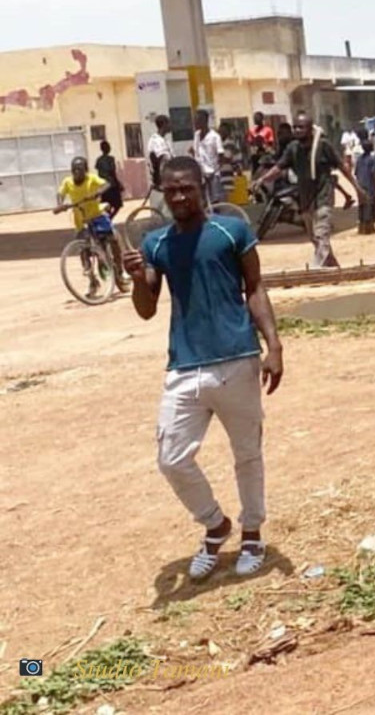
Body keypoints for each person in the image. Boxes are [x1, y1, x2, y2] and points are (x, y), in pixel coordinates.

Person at [123, 155, 283, 582]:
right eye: (171, 190)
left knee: (247, 454)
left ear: (202, 188)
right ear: (162, 193)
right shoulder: (156, 243)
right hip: (185, 365)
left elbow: (255, 287)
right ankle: (215, 524)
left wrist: (274, 345)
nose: (179, 196)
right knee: (171, 458)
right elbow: (146, 309)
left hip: (237, 358)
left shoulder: (232, 231)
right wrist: (137, 278)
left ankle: (253, 534)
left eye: (186, 188)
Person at [253, 113, 365, 268]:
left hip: (323, 197)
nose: (297, 130)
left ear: (310, 129)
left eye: (301, 127)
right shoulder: (293, 148)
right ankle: (332, 266)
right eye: (295, 127)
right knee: (315, 238)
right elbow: (279, 167)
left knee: (321, 234)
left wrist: (357, 188)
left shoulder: (323, 146)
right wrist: (262, 179)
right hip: (305, 199)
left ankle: (316, 269)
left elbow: (341, 167)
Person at [55, 156, 128, 292]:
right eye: (74, 169)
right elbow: (60, 193)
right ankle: (92, 280)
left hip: (96, 215)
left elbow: (106, 184)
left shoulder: (92, 178)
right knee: (83, 248)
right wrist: (60, 205)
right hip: (81, 220)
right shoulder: (67, 182)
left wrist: (97, 192)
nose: (77, 172)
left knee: (113, 239)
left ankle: (120, 269)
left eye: (80, 169)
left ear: (86, 170)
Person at [191, 109, 223, 204]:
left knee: (215, 200)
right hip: (200, 173)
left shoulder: (215, 136)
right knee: (202, 200)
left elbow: (221, 155)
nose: (195, 123)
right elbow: (196, 152)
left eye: (197, 121)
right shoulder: (196, 135)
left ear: (204, 121)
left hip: (213, 174)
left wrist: (215, 170)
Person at [354, 138, 375, 234]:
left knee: (362, 204)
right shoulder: (373, 159)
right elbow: (373, 174)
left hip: (360, 184)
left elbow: (356, 173)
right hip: (370, 184)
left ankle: (361, 227)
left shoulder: (359, 159)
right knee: (372, 204)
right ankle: (370, 227)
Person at [147, 114, 173, 206]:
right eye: (169, 123)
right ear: (164, 124)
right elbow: (163, 162)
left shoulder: (163, 140)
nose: (171, 125)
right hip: (162, 179)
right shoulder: (156, 141)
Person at [94, 140, 124, 218]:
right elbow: (112, 173)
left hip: (103, 186)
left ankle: (109, 218)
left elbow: (99, 173)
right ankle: (110, 218)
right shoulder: (111, 159)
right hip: (111, 185)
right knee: (117, 205)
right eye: (107, 147)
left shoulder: (98, 160)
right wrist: (118, 183)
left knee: (107, 205)